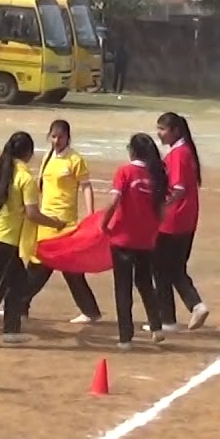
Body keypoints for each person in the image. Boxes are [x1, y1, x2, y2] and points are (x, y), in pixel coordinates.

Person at [0, 132, 66, 347]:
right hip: (7, 240)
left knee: (18, 281)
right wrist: (55, 223)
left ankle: (11, 330)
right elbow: (32, 213)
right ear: (28, 153)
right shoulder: (25, 178)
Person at [15, 120, 103, 324]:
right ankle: (89, 311)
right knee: (46, 265)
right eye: (53, 136)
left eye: (60, 137)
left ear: (68, 137)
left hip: (65, 223)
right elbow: (41, 187)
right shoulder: (47, 157)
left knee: (54, 267)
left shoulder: (75, 160)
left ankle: (19, 306)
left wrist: (90, 216)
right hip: (46, 220)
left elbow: (86, 186)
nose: (56, 141)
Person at [98, 133, 168, 349]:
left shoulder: (125, 172)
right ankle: (156, 326)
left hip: (123, 239)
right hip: (145, 240)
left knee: (123, 288)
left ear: (132, 151)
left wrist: (103, 224)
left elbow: (114, 202)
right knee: (145, 283)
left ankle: (125, 338)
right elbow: (162, 213)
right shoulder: (155, 175)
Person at [150, 112, 211, 332]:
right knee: (174, 267)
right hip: (187, 219)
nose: (159, 134)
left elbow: (177, 189)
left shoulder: (178, 154)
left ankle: (172, 317)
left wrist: (160, 206)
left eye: (163, 129)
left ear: (175, 131)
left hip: (172, 220)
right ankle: (189, 308)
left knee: (161, 268)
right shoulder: (186, 152)